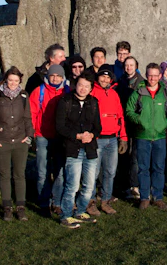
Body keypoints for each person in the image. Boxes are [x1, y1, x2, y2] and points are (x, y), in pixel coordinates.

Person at [125, 63, 167, 210]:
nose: (153, 78)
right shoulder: (138, 93)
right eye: (150, 75)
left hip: (160, 136)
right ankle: (144, 197)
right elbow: (129, 111)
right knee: (143, 168)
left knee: (159, 168)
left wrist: (166, 123)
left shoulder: (165, 93)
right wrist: (139, 120)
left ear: (160, 76)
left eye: (155, 75)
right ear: (146, 75)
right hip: (143, 136)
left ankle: (158, 197)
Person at [56, 74, 103, 229]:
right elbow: (60, 126)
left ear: (90, 89)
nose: (83, 89)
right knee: (72, 185)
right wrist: (77, 136)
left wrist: (92, 135)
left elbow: (98, 126)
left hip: (90, 149)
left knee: (89, 185)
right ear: (76, 85)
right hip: (73, 148)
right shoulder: (65, 101)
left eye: (87, 86)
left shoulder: (93, 102)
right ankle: (66, 215)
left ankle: (81, 210)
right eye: (81, 85)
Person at [0, 66, 33, 221]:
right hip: (2, 140)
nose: (13, 83)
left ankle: (21, 207)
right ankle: (7, 207)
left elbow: (28, 117)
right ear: (5, 79)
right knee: (4, 174)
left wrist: (29, 136)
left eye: (16, 80)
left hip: (20, 140)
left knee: (19, 174)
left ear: (20, 81)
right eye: (10, 80)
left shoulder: (23, 96)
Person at [88, 64, 128, 215]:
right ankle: (90, 201)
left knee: (110, 171)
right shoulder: (92, 92)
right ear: (98, 78)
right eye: (102, 77)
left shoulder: (114, 94)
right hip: (97, 138)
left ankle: (105, 200)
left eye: (107, 77)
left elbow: (120, 116)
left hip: (112, 139)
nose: (105, 79)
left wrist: (123, 137)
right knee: (94, 171)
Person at [30, 64, 67, 216]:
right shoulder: (39, 91)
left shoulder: (67, 91)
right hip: (42, 136)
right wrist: (32, 134)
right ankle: (44, 202)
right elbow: (32, 114)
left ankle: (57, 202)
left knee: (59, 171)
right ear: (48, 76)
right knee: (42, 171)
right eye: (53, 75)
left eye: (58, 76)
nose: (55, 78)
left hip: (60, 137)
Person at [116, 56, 142, 199]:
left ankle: (135, 185)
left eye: (131, 65)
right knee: (124, 153)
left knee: (135, 155)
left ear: (136, 66)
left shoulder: (141, 83)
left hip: (136, 122)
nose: (129, 68)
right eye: (126, 65)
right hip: (123, 122)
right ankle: (125, 184)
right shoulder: (121, 81)